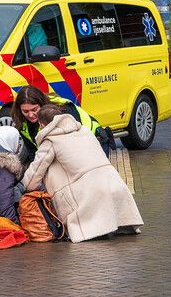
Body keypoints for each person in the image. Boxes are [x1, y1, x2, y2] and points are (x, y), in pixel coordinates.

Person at [21, 104, 143, 243]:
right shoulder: (84, 130)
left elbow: (32, 178)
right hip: (114, 183)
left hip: (86, 193)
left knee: (49, 167)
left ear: (42, 125)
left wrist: (22, 187)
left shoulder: (50, 141)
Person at [11, 85, 114, 162]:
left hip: (94, 141)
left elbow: (72, 148)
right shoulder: (22, 123)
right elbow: (34, 154)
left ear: (41, 104)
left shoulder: (62, 110)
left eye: (34, 109)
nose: (31, 115)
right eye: (25, 111)